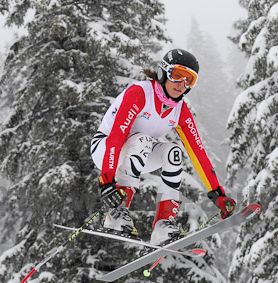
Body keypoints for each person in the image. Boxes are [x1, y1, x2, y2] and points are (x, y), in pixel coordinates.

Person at [90, 49, 236, 245]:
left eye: (189, 80)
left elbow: (198, 153)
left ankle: (164, 224)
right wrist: (107, 180)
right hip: (105, 148)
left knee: (173, 153)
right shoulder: (140, 93)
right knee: (142, 140)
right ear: (163, 72)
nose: (181, 84)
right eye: (177, 75)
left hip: (138, 154)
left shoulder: (180, 111)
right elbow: (117, 136)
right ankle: (117, 213)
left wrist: (217, 193)